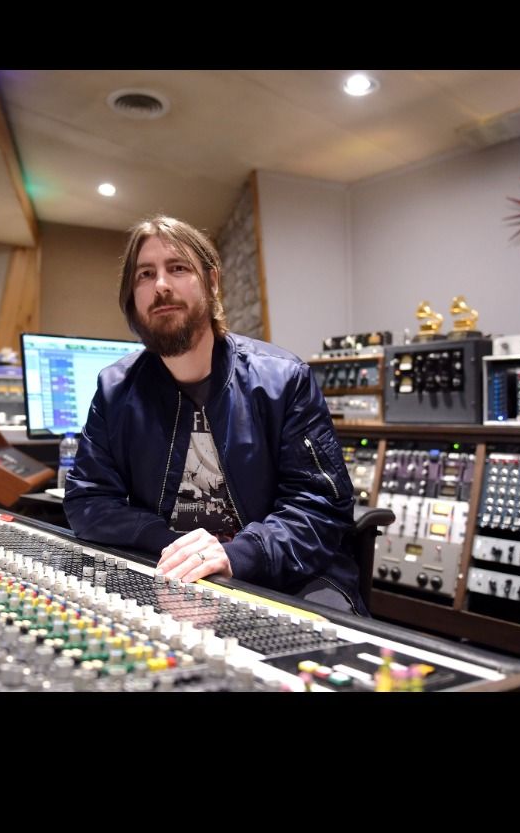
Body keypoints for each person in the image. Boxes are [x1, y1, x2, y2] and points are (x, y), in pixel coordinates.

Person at [64, 215, 362, 613]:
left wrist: (238, 555)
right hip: (171, 569)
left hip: (287, 574)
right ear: (132, 298)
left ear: (212, 282)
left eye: (178, 268)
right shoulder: (115, 389)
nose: (162, 285)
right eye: (145, 274)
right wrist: (171, 544)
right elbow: (87, 501)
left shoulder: (284, 378)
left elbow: (319, 505)